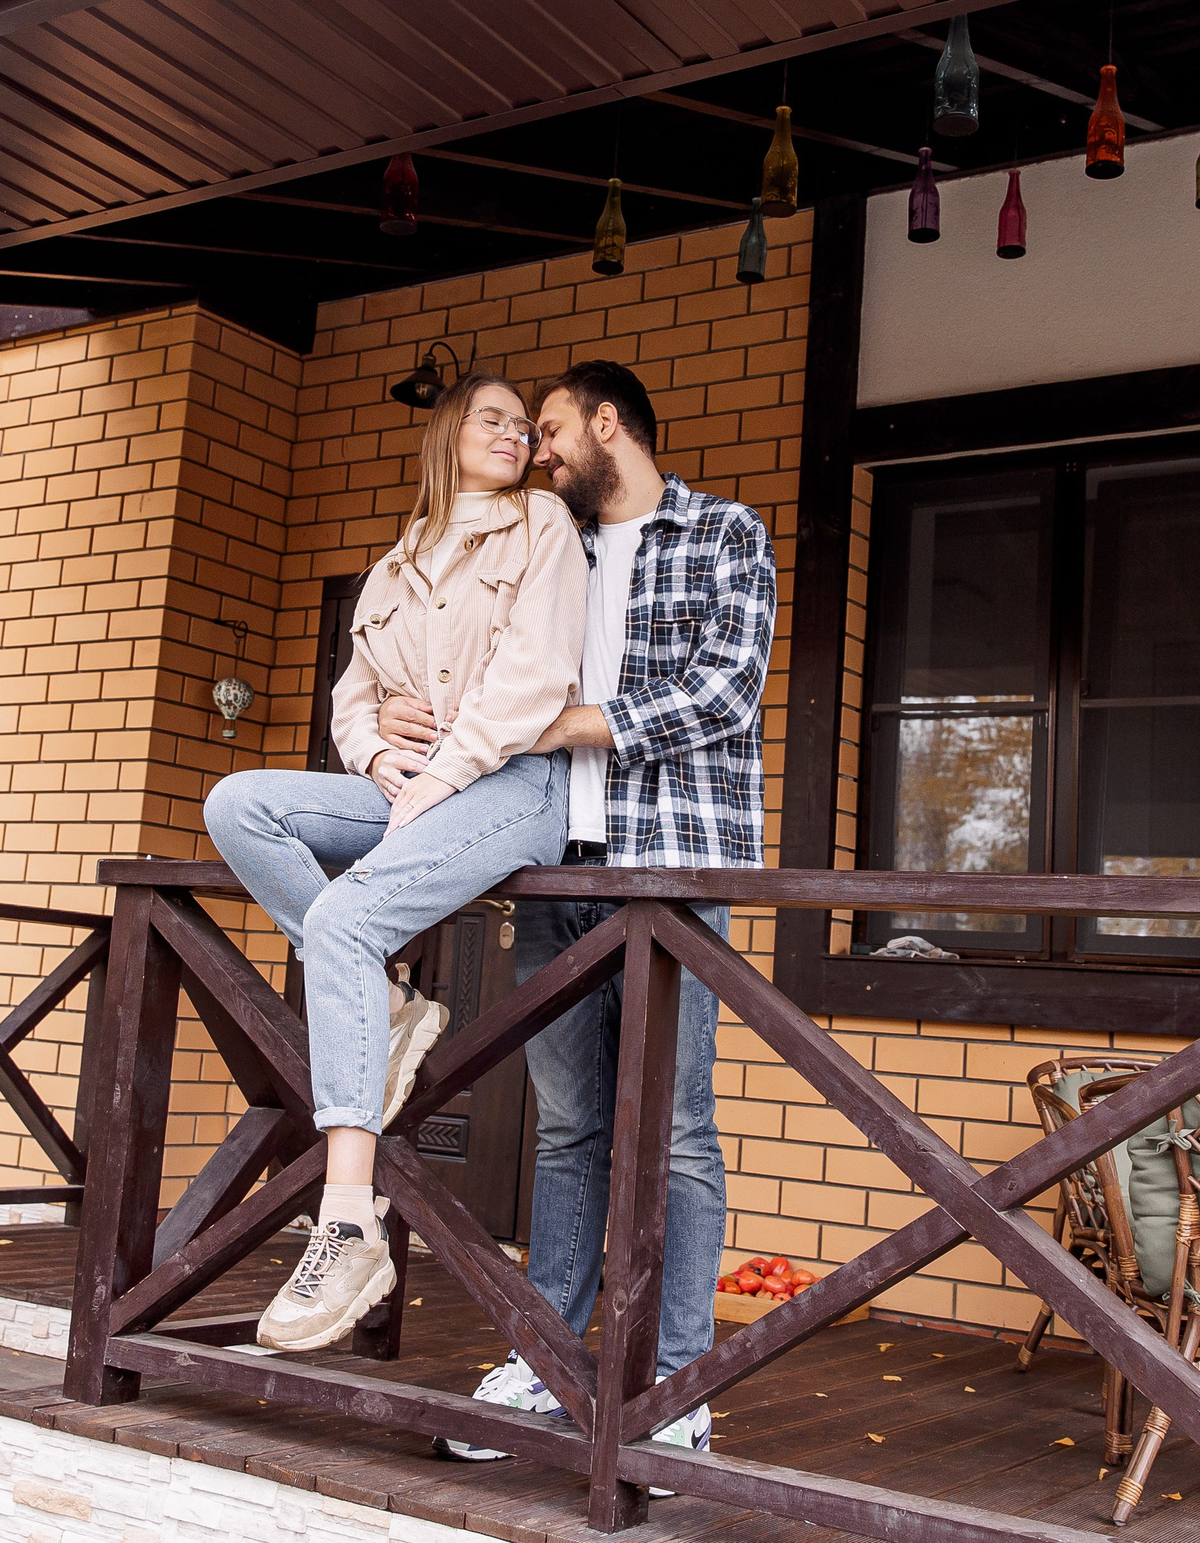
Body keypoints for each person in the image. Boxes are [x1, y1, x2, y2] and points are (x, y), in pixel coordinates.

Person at [378, 360, 776, 1476]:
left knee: (679, 1132)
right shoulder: (549, 547)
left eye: (552, 432)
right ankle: (544, 1361)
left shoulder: (727, 534)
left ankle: (674, 1380)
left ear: (609, 424)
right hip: (557, 871)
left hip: (677, 868)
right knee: (569, 1128)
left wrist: (555, 724)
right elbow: (472, 667)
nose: (540, 453)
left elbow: (722, 692)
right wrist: (402, 703)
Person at [203, 370, 587, 1354]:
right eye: (492, 419)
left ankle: (346, 1224)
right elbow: (353, 697)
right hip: (412, 788)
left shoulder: (540, 525)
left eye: (523, 427)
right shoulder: (398, 563)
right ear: (447, 434)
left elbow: (536, 676)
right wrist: (378, 751)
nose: (513, 436)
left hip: (511, 786)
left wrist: (441, 770)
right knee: (239, 804)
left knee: (341, 919)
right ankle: (383, 1008)